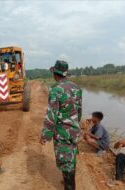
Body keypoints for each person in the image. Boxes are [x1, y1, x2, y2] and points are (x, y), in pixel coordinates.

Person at [40, 60, 82, 190]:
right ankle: (70, 184)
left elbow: (51, 115)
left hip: (62, 134)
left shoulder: (55, 90)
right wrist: (75, 126)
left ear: (55, 73)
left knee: (65, 163)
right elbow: (79, 112)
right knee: (71, 158)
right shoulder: (77, 88)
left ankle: (69, 186)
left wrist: (45, 135)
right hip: (74, 132)